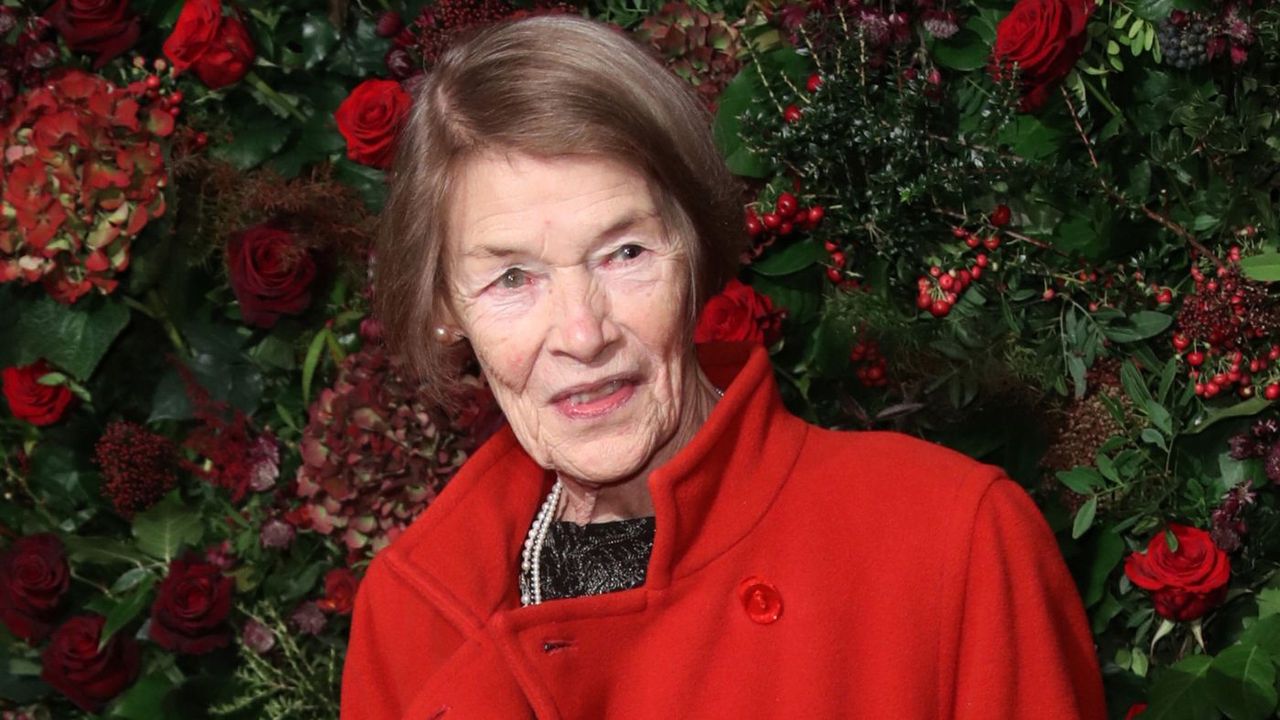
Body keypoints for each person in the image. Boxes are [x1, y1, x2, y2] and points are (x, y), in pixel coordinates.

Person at [341, 14, 1107, 720]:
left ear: (695, 249)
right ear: (446, 305)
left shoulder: (952, 540)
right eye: (513, 278)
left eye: (625, 253)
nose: (581, 333)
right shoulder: (411, 614)